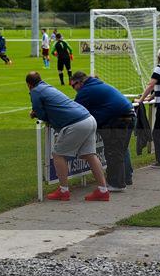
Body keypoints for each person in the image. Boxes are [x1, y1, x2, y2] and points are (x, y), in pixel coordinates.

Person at [27, 71, 109, 201]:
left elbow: (41, 113)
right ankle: (103, 190)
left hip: (77, 123)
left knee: (58, 154)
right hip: (89, 118)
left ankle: (63, 190)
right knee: (90, 155)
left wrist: (34, 114)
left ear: (29, 85)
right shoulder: (48, 87)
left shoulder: (35, 91)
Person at [70, 71, 136, 191]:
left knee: (113, 151)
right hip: (129, 116)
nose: (74, 89)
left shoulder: (86, 90)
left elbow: (74, 110)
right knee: (121, 150)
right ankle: (126, 178)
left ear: (79, 82)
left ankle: (116, 184)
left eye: (73, 85)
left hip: (118, 120)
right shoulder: (97, 84)